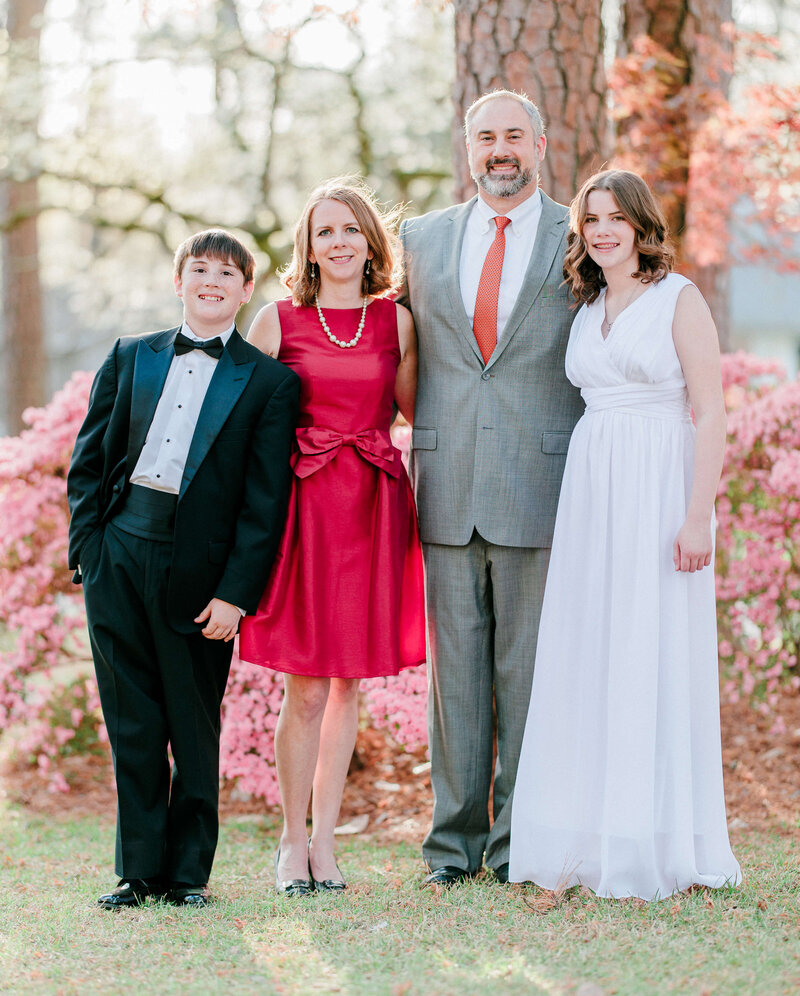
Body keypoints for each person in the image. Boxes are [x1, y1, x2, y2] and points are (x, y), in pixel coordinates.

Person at [509, 169, 742, 899]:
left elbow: (711, 410)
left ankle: (660, 840)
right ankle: (588, 834)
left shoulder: (678, 299)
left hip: (659, 489)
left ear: (642, 225)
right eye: (591, 220)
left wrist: (697, 513)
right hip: (594, 493)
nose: (602, 230)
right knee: (594, 648)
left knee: (651, 646)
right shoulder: (587, 309)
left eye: (615, 217)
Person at [67, 229, 299, 910]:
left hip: (201, 575)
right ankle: (138, 872)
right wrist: (90, 550)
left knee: (192, 723)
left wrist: (236, 595)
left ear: (246, 289)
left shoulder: (267, 383)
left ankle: (189, 875)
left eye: (228, 274)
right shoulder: (129, 356)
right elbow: (89, 460)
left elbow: (265, 502)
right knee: (132, 720)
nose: (211, 282)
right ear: (179, 281)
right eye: (199, 270)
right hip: (119, 552)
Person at [397, 91, 584, 886]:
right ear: (466, 148)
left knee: (529, 674)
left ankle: (517, 845)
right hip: (444, 482)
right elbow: (391, 346)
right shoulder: (421, 238)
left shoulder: (582, 232)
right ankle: (452, 849)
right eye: (486, 138)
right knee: (456, 684)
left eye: (514, 136)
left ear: (540, 144)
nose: (499, 149)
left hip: (543, 482)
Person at [239, 178, 425, 896]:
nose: (339, 242)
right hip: (304, 509)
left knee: (350, 685)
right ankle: (289, 842)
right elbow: (243, 426)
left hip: (374, 504)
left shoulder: (396, 324)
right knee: (307, 689)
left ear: (370, 242)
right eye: (325, 232)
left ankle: (326, 843)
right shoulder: (276, 321)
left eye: (352, 229)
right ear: (308, 247)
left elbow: (417, 412)